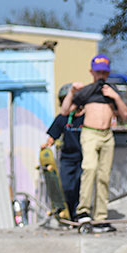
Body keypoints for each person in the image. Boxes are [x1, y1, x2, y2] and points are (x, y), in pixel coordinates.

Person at [60, 54, 127, 231]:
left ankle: (100, 216)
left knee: (103, 176)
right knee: (89, 168)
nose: (101, 76)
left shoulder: (111, 92)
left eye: (104, 73)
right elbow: (65, 111)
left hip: (107, 136)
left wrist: (117, 98)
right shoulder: (87, 91)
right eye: (98, 73)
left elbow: (125, 115)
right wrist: (72, 92)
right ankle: (82, 211)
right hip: (90, 134)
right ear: (92, 72)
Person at [41, 83, 83, 218]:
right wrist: (47, 146)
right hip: (68, 157)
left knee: (80, 186)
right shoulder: (62, 118)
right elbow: (53, 135)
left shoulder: (86, 117)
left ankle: (78, 213)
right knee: (66, 186)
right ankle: (67, 211)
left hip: (83, 157)